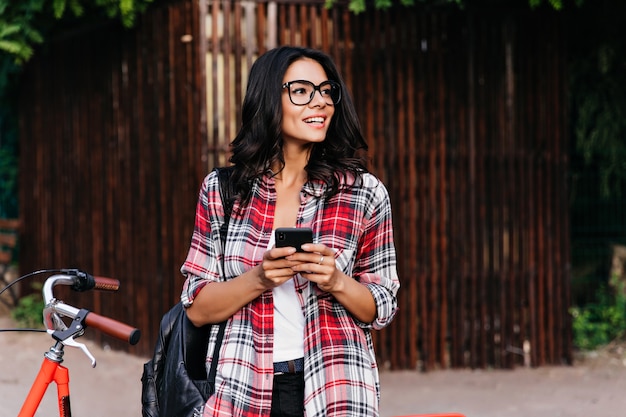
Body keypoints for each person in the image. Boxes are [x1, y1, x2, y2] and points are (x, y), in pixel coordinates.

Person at [180, 45, 400, 417]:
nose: (321, 103)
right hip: (242, 387)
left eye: (327, 91)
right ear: (268, 98)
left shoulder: (364, 192)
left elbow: (382, 306)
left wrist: (336, 281)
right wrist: (261, 277)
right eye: (301, 91)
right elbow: (197, 308)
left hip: (337, 387)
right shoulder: (223, 190)